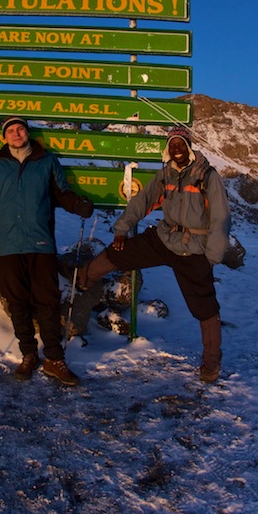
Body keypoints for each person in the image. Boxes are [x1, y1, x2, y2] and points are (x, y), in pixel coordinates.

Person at [0, 116, 94, 385]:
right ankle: (28, 354)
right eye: (10, 130)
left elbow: (62, 193)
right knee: (18, 301)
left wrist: (78, 205)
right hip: (8, 245)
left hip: (41, 242)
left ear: (27, 132)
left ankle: (54, 359)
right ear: (4, 137)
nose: (16, 133)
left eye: (20, 128)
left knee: (47, 299)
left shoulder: (47, 162)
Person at [78, 125, 230, 383]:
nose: (177, 149)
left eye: (181, 144)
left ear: (189, 147)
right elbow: (143, 201)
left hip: (194, 249)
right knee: (119, 252)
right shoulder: (166, 174)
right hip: (163, 237)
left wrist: (211, 257)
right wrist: (122, 229)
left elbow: (221, 217)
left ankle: (211, 361)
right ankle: (82, 279)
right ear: (168, 149)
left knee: (205, 307)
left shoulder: (207, 175)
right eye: (173, 145)